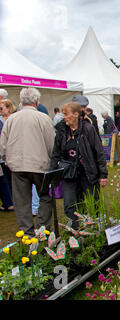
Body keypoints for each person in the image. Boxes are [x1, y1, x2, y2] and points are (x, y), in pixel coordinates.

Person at [0, 87, 54, 236]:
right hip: (39, 165)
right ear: (37, 102)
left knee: (21, 201)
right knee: (45, 197)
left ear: (21, 101)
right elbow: (51, 144)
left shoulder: (11, 119)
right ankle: (42, 229)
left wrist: (7, 160)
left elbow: (3, 144)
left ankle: (27, 232)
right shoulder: (43, 118)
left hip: (17, 166)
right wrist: (51, 161)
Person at [50, 102, 107, 229]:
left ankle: (95, 230)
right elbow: (56, 153)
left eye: (66, 114)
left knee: (93, 202)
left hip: (88, 172)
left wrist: (103, 174)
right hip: (69, 173)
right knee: (69, 204)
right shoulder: (61, 130)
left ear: (76, 114)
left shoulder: (88, 129)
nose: (63, 117)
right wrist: (53, 173)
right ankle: (74, 231)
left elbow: (98, 152)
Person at [0, 99, 14, 212]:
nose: (0, 111)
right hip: (4, 156)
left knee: (6, 179)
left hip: (10, 154)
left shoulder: (12, 119)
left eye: (1, 108)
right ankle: (8, 201)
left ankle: (9, 202)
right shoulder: (1, 120)